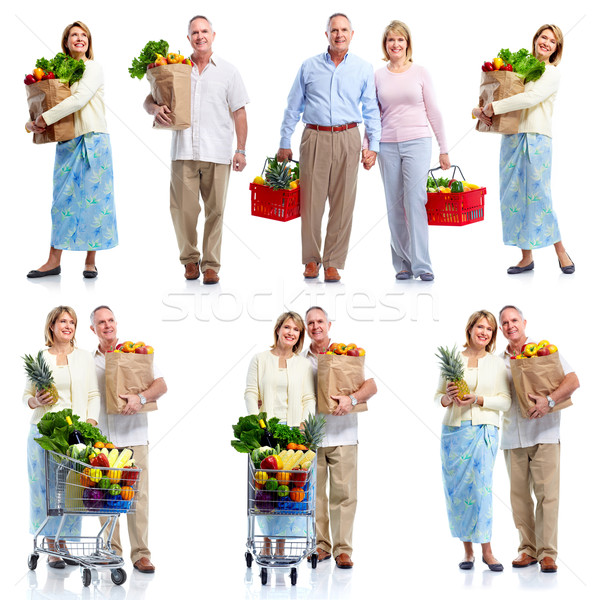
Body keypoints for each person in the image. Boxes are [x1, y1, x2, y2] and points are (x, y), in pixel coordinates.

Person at [144, 15, 249, 284]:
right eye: (194, 32)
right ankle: (190, 261)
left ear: (213, 36)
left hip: (218, 153)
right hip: (183, 151)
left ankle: (211, 265)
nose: (200, 36)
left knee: (216, 211)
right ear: (188, 38)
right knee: (182, 211)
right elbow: (148, 99)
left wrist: (241, 150)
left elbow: (239, 112)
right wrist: (155, 109)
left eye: (205, 31)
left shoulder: (229, 72)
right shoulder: (176, 68)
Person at [277, 13, 381, 283]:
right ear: (327, 35)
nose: (339, 35)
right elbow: (293, 106)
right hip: (315, 136)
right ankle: (311, 260)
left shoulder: (363, 68)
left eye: (344, 30)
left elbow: (371, 110)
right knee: (310, 201)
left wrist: (374, 147)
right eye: (334, 30)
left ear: (352, 34)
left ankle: (333, 261)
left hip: (349, 137)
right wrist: (284, 141)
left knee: (343, 202)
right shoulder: (309, 66)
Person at [473, 25, 574, 275]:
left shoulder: (551, 73)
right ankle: (526, 258)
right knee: (513, 198)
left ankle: (561, 251)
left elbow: (529, 99)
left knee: (539, 197)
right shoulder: (520, 69)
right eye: (543, 37)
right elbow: (498, 94)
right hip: (511, 137)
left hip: (536, 139)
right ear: (536, 39)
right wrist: (479, 110)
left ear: (556, 48)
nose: (546, 43)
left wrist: (494, 107)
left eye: (552, 41)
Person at [25, 21, 118, 279]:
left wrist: (45, 118)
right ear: (66, 42)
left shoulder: (93, 68)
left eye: (84, 35)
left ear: (89, 41)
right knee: (61, 202)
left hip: (94, 140)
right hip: (67, 143)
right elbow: (46, 101)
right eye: (74, 35)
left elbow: (79, 100)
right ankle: (53, 261)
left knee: (95, 202)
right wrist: (32, 122)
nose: (80, 38)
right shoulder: (59, 73)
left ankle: (90, 261)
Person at [498, 305, 579, 573]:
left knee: (547, 496)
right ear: (501, 329)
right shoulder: (499, 361)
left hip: (545, 433)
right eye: (505, 323)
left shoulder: (543, 351)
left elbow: (573, 380)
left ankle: (547, 553)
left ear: (524, 322)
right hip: (512, 437)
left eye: (514, 320)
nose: (510, 326)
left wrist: (549, 400)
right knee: (519, 498)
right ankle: (527, 550)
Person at [90, 305, 167, 573]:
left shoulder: (136, 355)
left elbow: (162, 385)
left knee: (138, 497)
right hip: (103, 439)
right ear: (93, 329)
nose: (107, 325)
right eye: (101, 322)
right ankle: (111, 550)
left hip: (134, 434)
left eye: (111, 320)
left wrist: (141, 398)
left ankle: (141, 554)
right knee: (105, 496)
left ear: (116, 324)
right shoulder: (90, 361)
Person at [372, 20, 450, 281]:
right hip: (387, 145)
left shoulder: (420, 73)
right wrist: (368, 147)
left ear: (408, 44)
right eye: (391, 40)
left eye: (400, 40)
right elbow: (373, 115)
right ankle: (402, 264)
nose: (396, 44)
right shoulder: (378, 76)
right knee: (394, 204)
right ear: (385, 45)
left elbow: (434, 111)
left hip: (418, 141)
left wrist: (444, 148)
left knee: (415, 201)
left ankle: (422, 265)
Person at [23, 306, 100, 568]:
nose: (68, 326)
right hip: (43, 431)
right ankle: (50, 543)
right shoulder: (40, 357)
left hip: (73, 433)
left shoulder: (84, 358)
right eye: (63, 321)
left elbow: (93, 395)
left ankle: (64, 540)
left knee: (70, 489)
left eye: (73, 323)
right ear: (52, 326)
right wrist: (35, 400)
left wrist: (90, 423)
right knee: (44, 488)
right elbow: (26, 396)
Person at [434, 310, 511, 571]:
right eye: (480, 326)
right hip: (453, 433)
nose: (484, 332)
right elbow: (437, 397)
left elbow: (506, 400)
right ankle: (468, 552)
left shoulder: (497, 363)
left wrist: (478, 399)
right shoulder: (454, 359)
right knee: (457, 492)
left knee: (481, 490)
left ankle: (487, 551)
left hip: (484, 431)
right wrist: (448, 397)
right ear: (470, 329)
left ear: (493, 334)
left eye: (489, 329)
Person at [303, 306, 377, 569]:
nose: (315, 326)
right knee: (315, 495)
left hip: (344, 433)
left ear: (329, 325)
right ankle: (321, 546)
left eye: (320, 321)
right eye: (310, 322)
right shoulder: (301, 359)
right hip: (311, 437)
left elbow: (372, 386)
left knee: (344, 494)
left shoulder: (346, 354)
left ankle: (343, 549)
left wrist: (352, 399)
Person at [244, 311, 316, 552]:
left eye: (296, 330)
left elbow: (308, 398)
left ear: (300, 336)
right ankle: (265, 540)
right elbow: (251, 392)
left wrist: (304, 425)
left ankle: (282, 543)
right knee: (265, 489)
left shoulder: (303, 364)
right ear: (277, 330)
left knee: (287, 491)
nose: (291, 333)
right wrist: (257, 420)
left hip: (293, 434)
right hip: (266, 431)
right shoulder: (260, 359)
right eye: (287, 327)